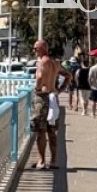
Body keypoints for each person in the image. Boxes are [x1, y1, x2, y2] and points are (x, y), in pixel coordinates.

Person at [31, 39, 61, 167]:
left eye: (35, 48)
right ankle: (53, 161)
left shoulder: (42, 62)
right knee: (52, 131)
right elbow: (68, 76)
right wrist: (60, 90)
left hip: (43, 98)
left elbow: (39, 77)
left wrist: (37, 89)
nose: (34, 50)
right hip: (53, 96)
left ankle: (42, 160)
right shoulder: (55, 62)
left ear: (42, 48)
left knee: (40, 131)